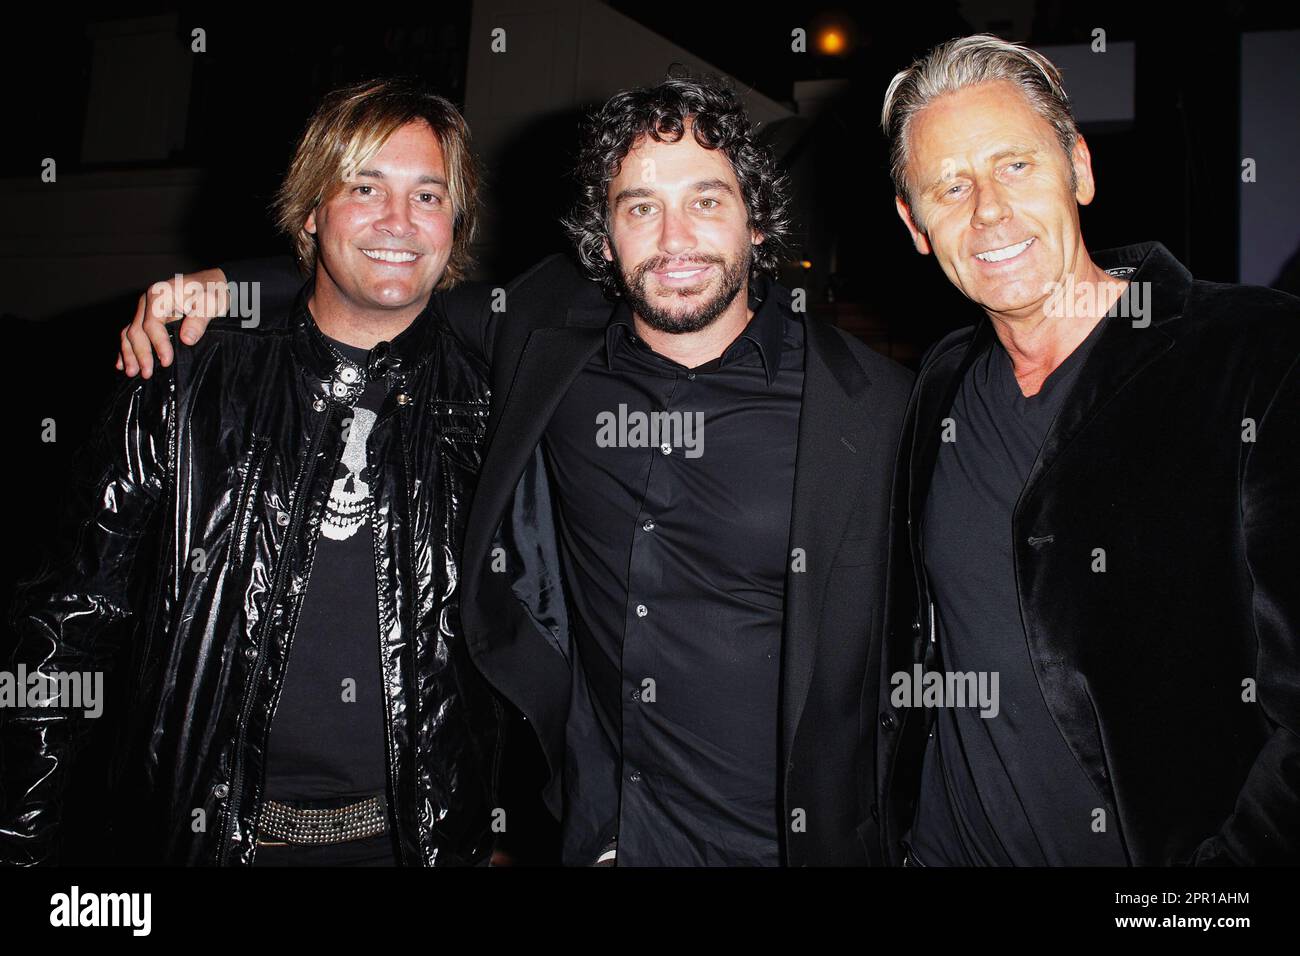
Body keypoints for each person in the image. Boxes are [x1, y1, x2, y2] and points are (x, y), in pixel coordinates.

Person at [116, 76, 915, 866]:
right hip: (605, 837)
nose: (674, 239)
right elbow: (383, 278)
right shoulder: (545, 343)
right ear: (603, 238)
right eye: (641, 207)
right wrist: (226, 286)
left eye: (706, 201)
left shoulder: (874, 412)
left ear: (759, 224)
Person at [2, 78, 504, 866]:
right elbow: (67, 621)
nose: (398, 222)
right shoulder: (187, 376)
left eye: (428, 195)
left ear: (455, 223)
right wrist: (21, 842)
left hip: (417, 848)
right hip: (201, 844)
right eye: (364, 187)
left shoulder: (497, 404)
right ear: (311, 211)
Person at [876, 34, 1300, 866]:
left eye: (1015, 166)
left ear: (1078, 167)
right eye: (950, 186)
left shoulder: (1256, 354)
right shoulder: (941, 383)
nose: (987, 210)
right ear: (914, 224)